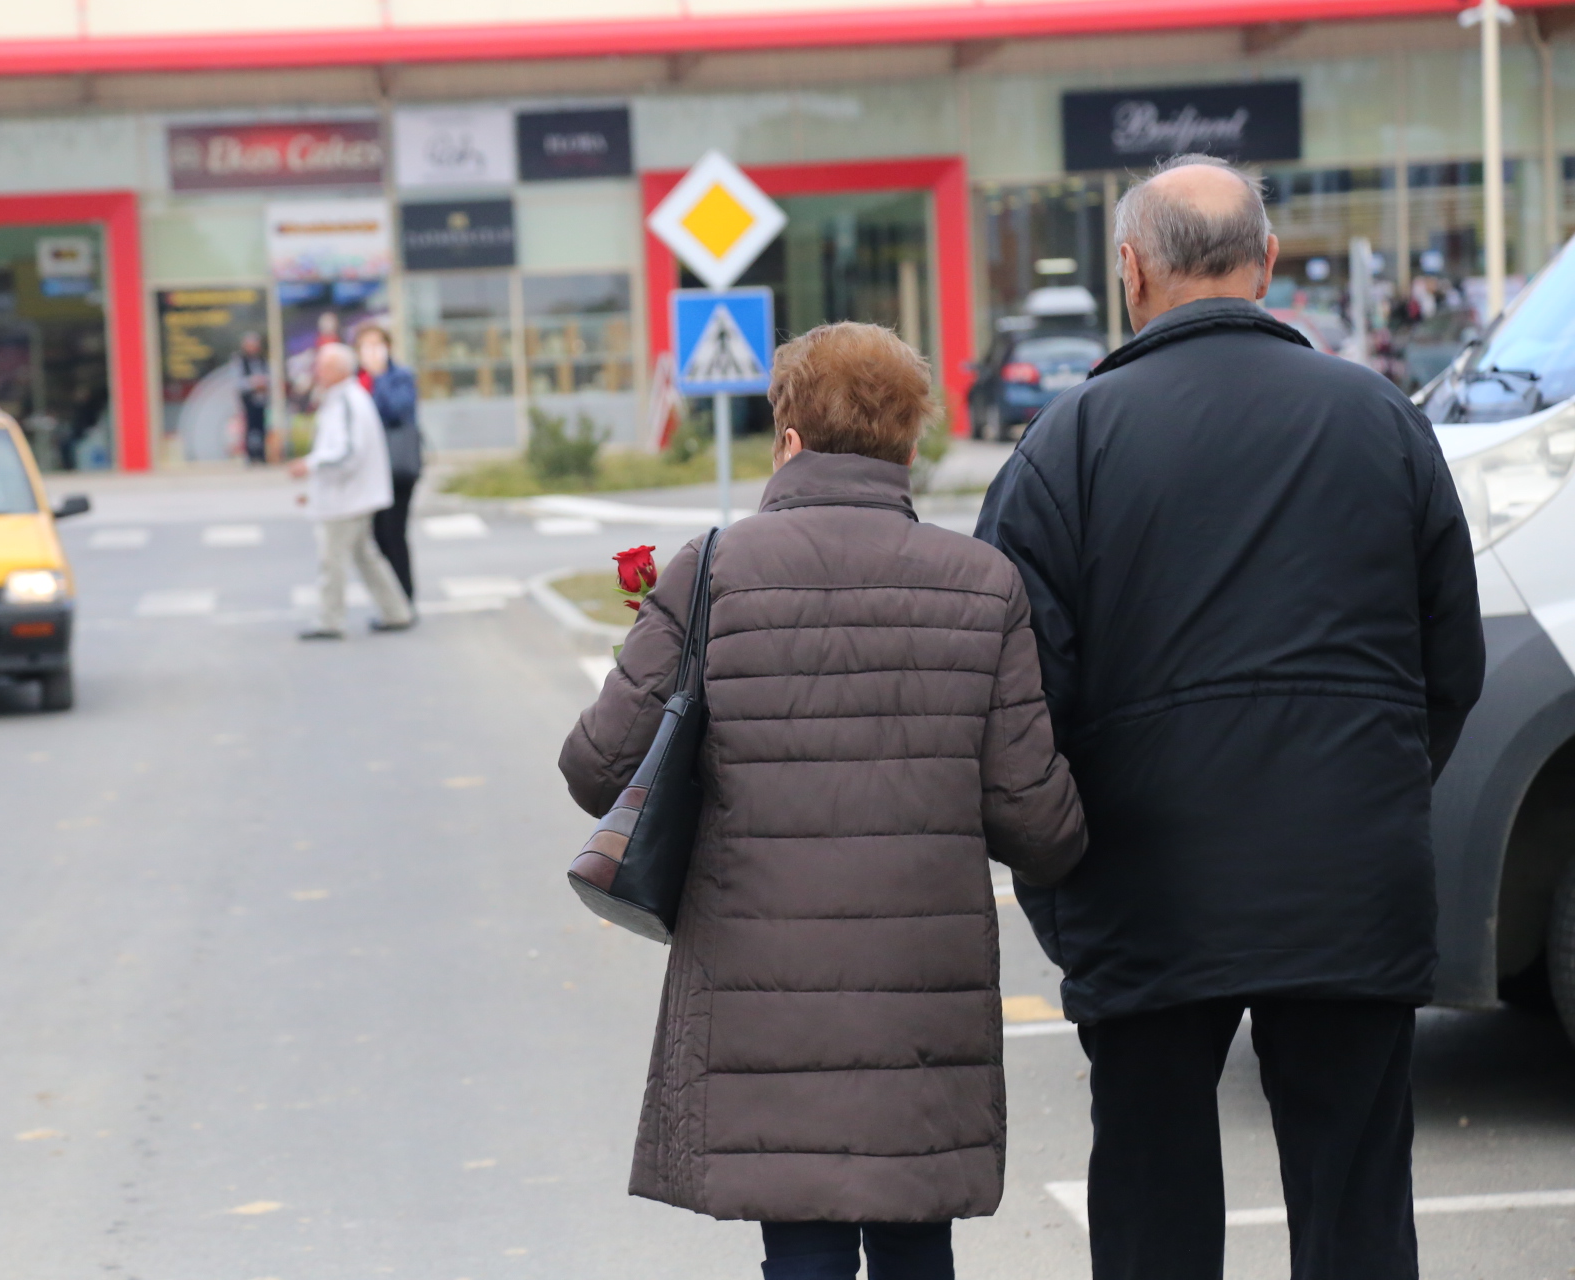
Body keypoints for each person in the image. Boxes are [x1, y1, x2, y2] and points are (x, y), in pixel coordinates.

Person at [974, 154, 1485, 1280]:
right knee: (1354, 1198)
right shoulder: (1382, 419)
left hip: (1145, 877)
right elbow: (1453, 660)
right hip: (1350, 870)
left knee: (1152, 1199)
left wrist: (1066, 876)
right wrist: (1376, 786)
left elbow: (1014, 699)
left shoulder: (1065, 447)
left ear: (1130, 271)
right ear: (1266, 264)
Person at [559, 322, 1086, 1280]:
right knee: (916, 1230)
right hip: (921, 992)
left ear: (789, 439)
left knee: (799, 1239)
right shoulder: (982, 585)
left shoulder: (714, 571)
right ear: (910, 444)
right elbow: (1038, 826)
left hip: (765, 989)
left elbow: (598, 767)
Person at [289, 343, 413, 641]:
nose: (316, 371)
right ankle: (396, 611)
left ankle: (330, 621)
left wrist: (311, 466)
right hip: (350, 495)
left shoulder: (346, 402)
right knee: (365, 556)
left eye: (322, 366)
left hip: (346, 498)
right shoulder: (344, 399)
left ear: (338, 370)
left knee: (332, 561)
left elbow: (346, 452)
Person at [354, 323, 423, 600]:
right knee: (378, 537)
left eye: (376, 345)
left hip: (396, 468)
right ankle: (390, 600)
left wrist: (379, 377)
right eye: (365, 346)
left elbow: (397, 411)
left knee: (394, 533)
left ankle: (404, 597)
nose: (371, 352)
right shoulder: (355, 380)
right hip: (367, 470)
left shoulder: (399, 376)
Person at [235, 332, 270, 465]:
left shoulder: (263, 360)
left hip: (261, 399)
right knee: (249, 427)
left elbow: (270, 377)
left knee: (261, 427)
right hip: (248, 399)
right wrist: (253, 383)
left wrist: (263, 382)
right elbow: (237, 381)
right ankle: (250, 455)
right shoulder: (240, 361)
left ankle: (261, 455)